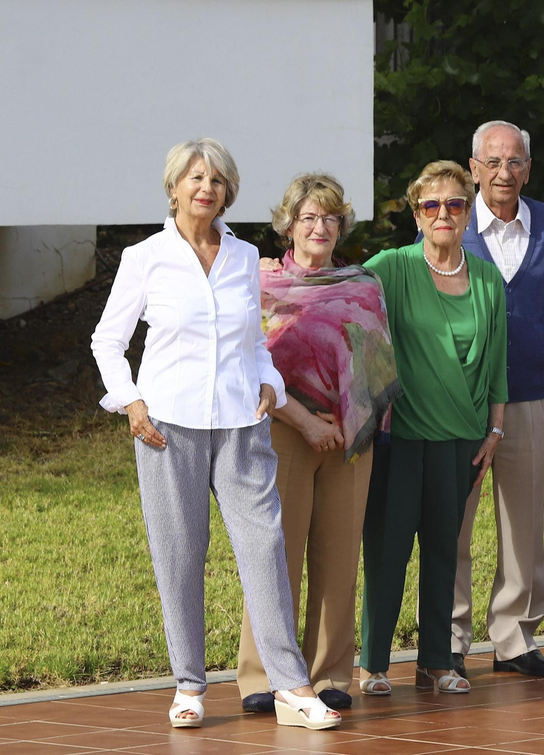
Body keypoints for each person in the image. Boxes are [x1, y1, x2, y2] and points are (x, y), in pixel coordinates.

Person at [90, 139, 339, 730]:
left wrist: (270, 385)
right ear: (174, 186)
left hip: (240, 425)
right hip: (165, 427)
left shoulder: (244, 255)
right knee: (179, 554)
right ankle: (189, 685)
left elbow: (253, 343)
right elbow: (107, 340)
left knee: (265, 548)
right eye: (197, 178)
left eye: (219, 180)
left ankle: (291, 687)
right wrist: (130, 401)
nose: (208, 188)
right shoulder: (144, 256)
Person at [237, 174, 400, 714]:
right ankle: (265, 676)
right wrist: (305, 419)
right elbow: (244, 366)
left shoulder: (363, 285)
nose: (320, 227)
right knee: (273, 555)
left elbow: (378, 368)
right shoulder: (259, 285)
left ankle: (331, 673)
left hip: (349, 440)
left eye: (330, 218)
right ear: (288, 225)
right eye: (309, 217)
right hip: (282, 432)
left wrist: (348, 422)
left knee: (337, 557)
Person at [451, 121, 544, 679]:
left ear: (528, 169)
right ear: (473, 168)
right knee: (454, 521)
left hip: (530, 394)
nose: (503, 173)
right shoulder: (452, 220)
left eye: (514, 163)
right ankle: (450, 639)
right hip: (460, 401)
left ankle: (514, 638)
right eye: (491, 162)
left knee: (523, 520)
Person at [360, 161, 508, 696]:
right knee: (388, 549)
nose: (443, 214)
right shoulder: (392, 267)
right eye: (431, 205)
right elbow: (338, 294)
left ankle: (436, 661)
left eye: (455, 204)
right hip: (400, 439)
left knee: (446, 549)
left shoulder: (488, 277)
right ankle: (374, 664)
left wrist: (495, 431)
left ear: (469, 212)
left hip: (463, 439)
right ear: (417, 214)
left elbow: (497, 364)